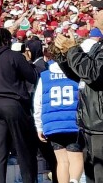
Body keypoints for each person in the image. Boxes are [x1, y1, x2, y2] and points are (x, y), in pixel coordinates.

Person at [0, 27, 39, 183]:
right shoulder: (14, 56)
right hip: (14, 105)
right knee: (23, 150)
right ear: (6, 41)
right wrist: (28, 61)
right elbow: (32, 77)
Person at [56, 0, 103, 183]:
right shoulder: (99, 45)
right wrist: (64, 55)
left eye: (99, 9)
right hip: (91, 124)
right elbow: (81, 75)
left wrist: (73, 50)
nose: (94, 13)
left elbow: (94, 75)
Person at [33, 44, 82, 183]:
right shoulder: (74, 73)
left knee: (61, 161)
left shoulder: (45, 76)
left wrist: (39, 126)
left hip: (53, 123)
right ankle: (74, 181)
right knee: (76, 158)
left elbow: (38, 102)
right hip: (72, 121)